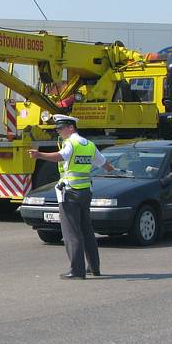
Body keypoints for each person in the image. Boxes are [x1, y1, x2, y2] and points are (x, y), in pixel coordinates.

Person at [29, 114, 114, 279]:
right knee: (87, 230)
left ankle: (77, 271)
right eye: (57, 129)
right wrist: (114, 169)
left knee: (71, 232)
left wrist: (39, 155)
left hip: (70, 192)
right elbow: (104, 164)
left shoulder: (71, 143)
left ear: (71, 127)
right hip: (85, 192)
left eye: (61, 128)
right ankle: (94, 268)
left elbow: (61, 156)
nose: (59, 132)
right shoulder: (89, 144)